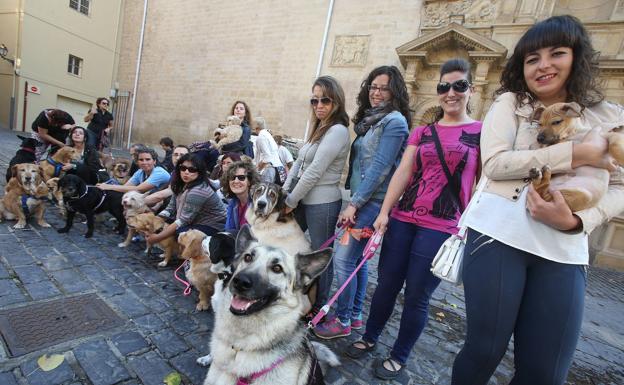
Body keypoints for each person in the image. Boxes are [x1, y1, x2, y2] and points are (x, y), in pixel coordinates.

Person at [451, 15, 624, 385]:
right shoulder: (510, 103)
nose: (543, 64)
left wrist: (579, 222)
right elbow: (496, 164)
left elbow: (621, 186)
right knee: (484, 350)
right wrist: (576, 154)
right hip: (498, 236)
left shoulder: (609, 116)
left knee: (546, 373)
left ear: (576, 58)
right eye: (532, 58)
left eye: (556, 53)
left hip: (563, 247)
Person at [345, 59, 482, 380]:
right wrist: (383, 213)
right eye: (444, 86)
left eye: (459, 85)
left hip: (442, 227)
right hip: (403, 219)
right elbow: (403, 173)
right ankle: (369, 337)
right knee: (385, 287)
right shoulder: (423, 131)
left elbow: (482, 184)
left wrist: (470, 227)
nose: (451, 93)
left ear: (471, 90)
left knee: (417, 296)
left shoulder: (481, 133)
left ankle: (399, 355)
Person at [313, 66, 410, 339]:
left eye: (384, 88)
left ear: (395, 92)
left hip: (372, 203)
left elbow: (381, 167)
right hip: (364, 199)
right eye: (373, 87)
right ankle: (354, 316)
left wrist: (354, 204)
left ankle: (342, 319)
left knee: (344, 261)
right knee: (358, 262)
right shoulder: (372, 121)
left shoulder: (394, 122)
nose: (377, 93)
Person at [282, 75, 350, 316]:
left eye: (325, 100)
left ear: (337, 102)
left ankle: (319, 306)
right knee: (287, 244)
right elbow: (299, 164)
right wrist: (284, 192)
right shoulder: (319, 129)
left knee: (321, 256)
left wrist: (290, 201)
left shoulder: (338, 131)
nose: (319, 105)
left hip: (323, 203)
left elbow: (314, 171)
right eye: (314, 100)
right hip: (301, 199)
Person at [146, 153, 226, 248]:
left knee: (181, 234)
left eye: (192, 169)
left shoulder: (198, 190)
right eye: (183, 168)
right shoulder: (181, 184)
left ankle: (193, 258)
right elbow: (170, 208)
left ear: (199, 171)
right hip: (195, 221)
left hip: (214, 226)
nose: (186, 172)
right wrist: (154, 222)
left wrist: (157, 237)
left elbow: (183, 220)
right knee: (170, 229)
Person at [97, 147, 170, 194]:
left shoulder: (159, 172)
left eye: (148, 159)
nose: (144, 162)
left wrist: (110, 187)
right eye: (141, 160)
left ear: (154, 161)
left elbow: (139, 189)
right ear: (137, 162)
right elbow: (125, 187)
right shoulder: (140, 172)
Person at [221, 160, 260, 234]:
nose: (236, 181)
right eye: (232, 177)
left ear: (249, 181)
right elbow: (229, 229)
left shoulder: (257, 203)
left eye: (241, 178)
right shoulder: (233, 202)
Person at [253, 117, 286, 185]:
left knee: (264, 192)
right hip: (279, 169)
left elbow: (267, 157)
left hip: (270, 169)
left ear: (257, 125)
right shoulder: (267, 135)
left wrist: (258, 169)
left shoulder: (261, 137)